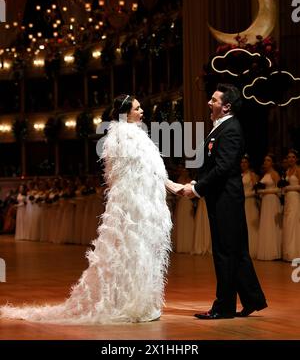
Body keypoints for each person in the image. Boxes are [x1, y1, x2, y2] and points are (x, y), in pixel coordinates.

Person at [0, 94, 172, 324]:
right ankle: (130, 302)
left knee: (137, 251)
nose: (142, 111)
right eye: (137, 108)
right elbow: (127, 174)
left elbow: (149, 171)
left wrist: (165, 186)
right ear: (125, 113)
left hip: (137, 202)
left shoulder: (134, 135)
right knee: (130, 250)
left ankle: (137, 300)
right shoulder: (125, 136)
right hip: (131, 204)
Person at [181, 83, 267, 319]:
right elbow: (212, 164)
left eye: (214, 100)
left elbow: (223, 168)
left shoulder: (230, 129)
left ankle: (224, 307)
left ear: (226, 107)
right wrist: (196, 183)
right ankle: (252, 299)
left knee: (225, 253)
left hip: (226, 199)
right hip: (222, 197)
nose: (209, 103)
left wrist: (197, 188)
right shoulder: (221, 127)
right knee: (235, 251)